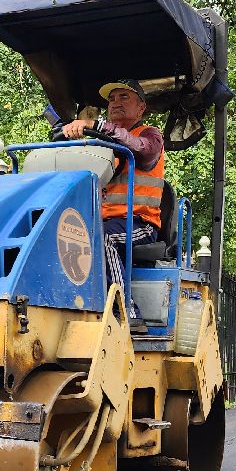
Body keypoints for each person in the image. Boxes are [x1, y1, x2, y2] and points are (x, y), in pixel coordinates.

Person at [59, 79, 165, 322]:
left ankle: (125, 309)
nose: (116, 103)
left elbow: (144, 152)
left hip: (139, 223)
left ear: (141, 108)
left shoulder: (149, 135)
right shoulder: (100, 145)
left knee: (102, 237)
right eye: (112, 99)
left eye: (124, 97)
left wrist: (98, 126)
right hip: (100, 220)